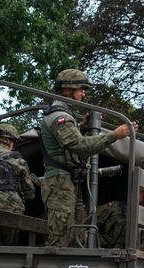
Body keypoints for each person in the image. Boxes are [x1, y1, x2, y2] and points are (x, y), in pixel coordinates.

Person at [40, 68, 138, 247]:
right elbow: (80, 147)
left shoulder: (62, 115)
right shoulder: (59, 116)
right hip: (60, 184)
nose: (83, 94)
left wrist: (83, 126)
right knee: (60, 238)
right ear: (68, 89)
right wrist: (114, 135)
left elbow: (69, 142)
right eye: (81, 89)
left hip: (66, 182)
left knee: (76, 236)